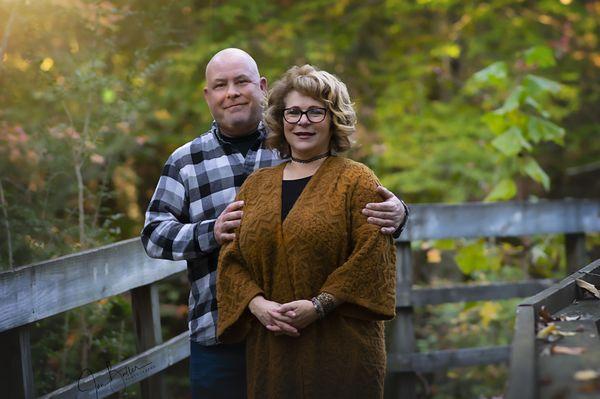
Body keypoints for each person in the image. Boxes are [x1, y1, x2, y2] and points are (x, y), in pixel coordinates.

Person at [141, 49, 407, 399]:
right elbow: (153, 234)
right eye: (220, 85)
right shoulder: (185, 161)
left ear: (262, 86)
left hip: (317, 335)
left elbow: (368, 227)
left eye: (242, 81)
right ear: (208, 95)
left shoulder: (297, 143)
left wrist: (401, 211)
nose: (232, 91)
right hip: (219, 327)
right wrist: (212, 232)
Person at [217, 64, 397, 399]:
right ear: (280, 118)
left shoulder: (357, 180)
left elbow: (373, 258)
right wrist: (256, 305)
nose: (302, 121)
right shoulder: (256, 186)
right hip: (272, 347)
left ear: (333, 119)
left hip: (342, 349)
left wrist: (320, 305)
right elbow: (231, 260)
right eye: (294, 112)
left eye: (316, 112)